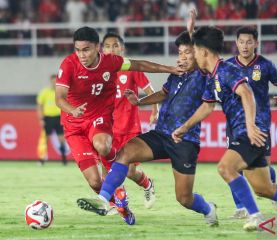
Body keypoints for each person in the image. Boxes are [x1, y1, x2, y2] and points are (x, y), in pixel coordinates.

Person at [171, 26, 277, 231]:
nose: (195, 56)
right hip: (243, 132)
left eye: (196, 51)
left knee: (225, 168)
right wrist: (185, 127)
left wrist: (251, 126)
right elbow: (207, 106)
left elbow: (247, 93)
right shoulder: (212, 76)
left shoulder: (226, 70)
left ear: (204, 51)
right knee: (264, 188)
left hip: (249, 131)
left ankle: (255, 216)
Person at [76, 30, 219, 227]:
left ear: (198, 53)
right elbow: (163, 93)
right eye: (180, 53)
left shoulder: (204, 74)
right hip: (161, 134)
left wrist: (191, 28)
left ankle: (208, 208)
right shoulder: (177, 74)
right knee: (124, 154)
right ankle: (103, 199)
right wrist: (139, 101)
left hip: (184, 141)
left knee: (184, 198)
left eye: (187, 52)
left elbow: (203, 52)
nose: (182, 57)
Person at [55, 26, 181, 225]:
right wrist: (72, 110)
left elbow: (140, 65)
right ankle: (121, 206)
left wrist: (170, 69)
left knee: (103, 146)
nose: (81, 55)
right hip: (73, 126)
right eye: (77, 50)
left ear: (97, 48)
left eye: (86, 49)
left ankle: (121, 168)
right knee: (95, 182)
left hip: (100, 118)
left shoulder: (111, 62)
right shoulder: (69, 64)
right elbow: (59, 98)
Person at [226, 26, 277, 218]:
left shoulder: (265, 65)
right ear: (236, 43)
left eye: (249, 42)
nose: (245, 46)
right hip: (235, 125)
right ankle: (241, 207)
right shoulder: (228, 67)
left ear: (256, 43)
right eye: (242, 42)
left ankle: (273, 189)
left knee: (262, 167)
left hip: (260, 124)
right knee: (233, 166)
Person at [101, 32, 157, 210]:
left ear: (122, 48)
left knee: (130, 171)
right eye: (108, 46)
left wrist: (155, 109)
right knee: (106, 169)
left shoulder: (131, 67)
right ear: (102, 49)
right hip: (108, 129)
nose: (112, 49)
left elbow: (150, 90)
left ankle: (147, 184)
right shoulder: (99, 71)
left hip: (130, 128)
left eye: (115, 45)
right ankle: (114, 202)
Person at [37, 74, 67, 165]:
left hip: (58, 117)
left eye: (56, 81)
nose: (54, 83)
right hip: (48, 118)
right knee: (44, 139)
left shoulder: (61, 92)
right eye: (53, 81)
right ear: (50, 81)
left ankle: (64, 159)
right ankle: (41, 160)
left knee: (61, 138)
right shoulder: (44, 92)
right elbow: (39, 106)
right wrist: (41, 119)